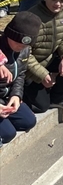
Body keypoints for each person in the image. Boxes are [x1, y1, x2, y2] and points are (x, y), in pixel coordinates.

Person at [0, 12, 41, 147]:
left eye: (24, 46)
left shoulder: (24, 50)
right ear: (9, 35)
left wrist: (16, 95)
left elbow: (21, 73)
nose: (20, 47)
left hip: (7, 96)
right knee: (7, 134)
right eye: (18, 42)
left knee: (28, 121)